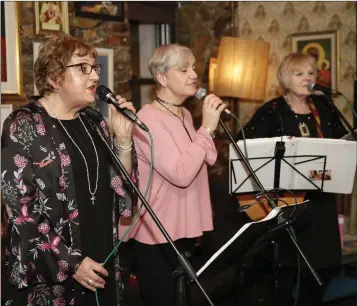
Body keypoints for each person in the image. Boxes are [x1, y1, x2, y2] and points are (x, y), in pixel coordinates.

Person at [1, 35, 138, 306]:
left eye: (95, 67)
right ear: (53, 77)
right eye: (82, 67)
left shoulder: (94, 122)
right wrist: (73, 263)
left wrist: (123, 140)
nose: (94, 76)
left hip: (101, 257)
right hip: (52, 274)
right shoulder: (23, 124)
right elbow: (21, 213)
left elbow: (123, 196)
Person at [235, 52, 347, 306]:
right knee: (285, 272)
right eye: (299, 73)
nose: (307, 78)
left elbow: (344, 143)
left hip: (322, 201)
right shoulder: (272, 111)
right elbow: (244, 147)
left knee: (325, 268)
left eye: (311, 73)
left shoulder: (325, 107)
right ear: (286, 79)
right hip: (288, 205)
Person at [118, 43, 226, 306]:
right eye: (183, 69)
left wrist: (207, 130)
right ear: (162, 78)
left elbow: (207, 157)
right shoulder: (148, 119)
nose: (193, 75)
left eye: (193, 68)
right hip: (157, 234)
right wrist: (208, 129)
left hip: (184, 229)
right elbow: (181, 174)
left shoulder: (186, 113)